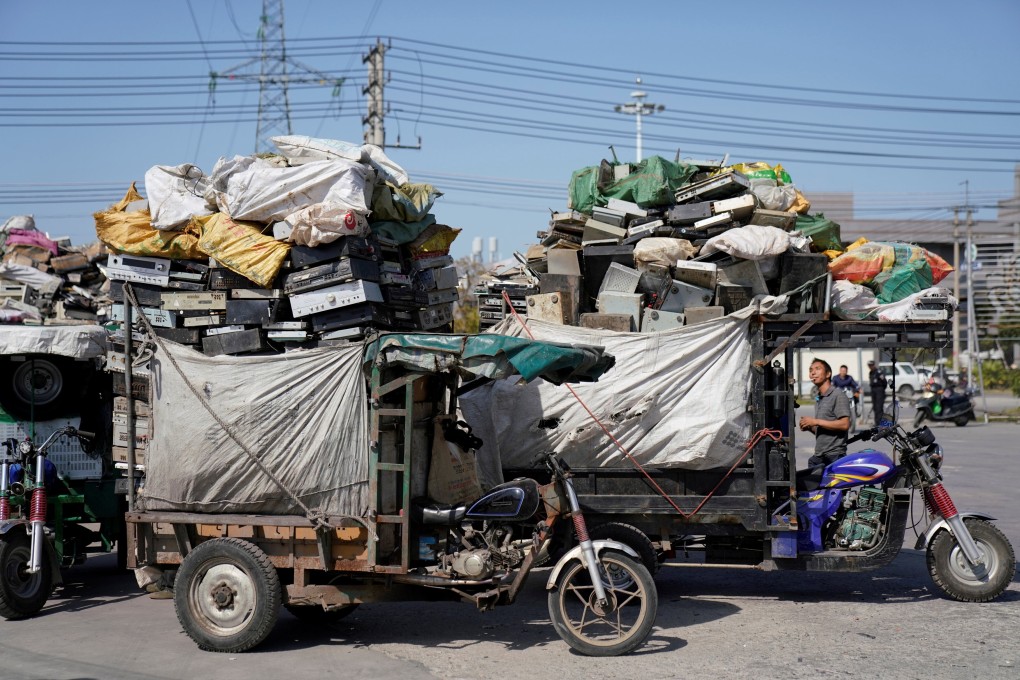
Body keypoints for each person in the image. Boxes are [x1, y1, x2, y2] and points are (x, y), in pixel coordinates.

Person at [799, 358, 851, 469]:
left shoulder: (838, 395)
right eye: (811, 370)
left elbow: (844, 424)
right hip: (819, 456)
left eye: (817, 369)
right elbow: (824, 428)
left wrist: (815, 421)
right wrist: (810, 427)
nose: (813, 372)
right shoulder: (820, 399)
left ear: (828, 374)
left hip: (834, 456)